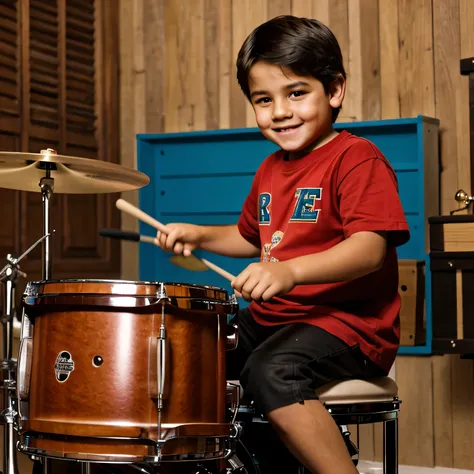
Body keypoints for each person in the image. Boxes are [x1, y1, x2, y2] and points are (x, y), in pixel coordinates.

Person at [156, 15, 409, 474]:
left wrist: (289, 271)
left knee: (272, 370)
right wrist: (198, 235)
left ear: (334, 91)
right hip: (279, 320)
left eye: (296, 93)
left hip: (349, 324)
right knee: (196, 355)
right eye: (263, 100)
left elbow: (369, 249)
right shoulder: (272, 168)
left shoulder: (357, 158)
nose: (279, 112)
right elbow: (251, 238)